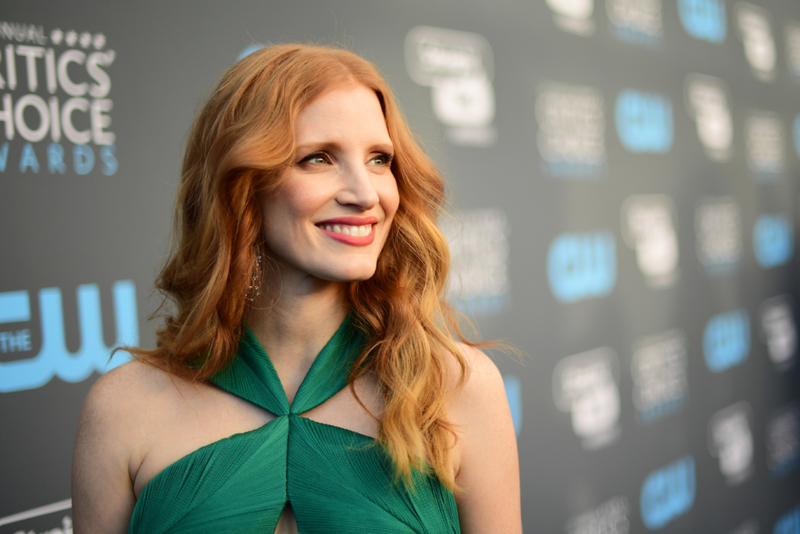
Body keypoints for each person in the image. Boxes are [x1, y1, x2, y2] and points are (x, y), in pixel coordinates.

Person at [72, 43, 521, 533]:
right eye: (318, 158)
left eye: (379, 159)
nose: (365, 194)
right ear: (241, 184)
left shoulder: (456, 389)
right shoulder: (123, 407)